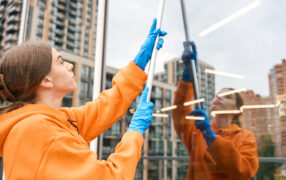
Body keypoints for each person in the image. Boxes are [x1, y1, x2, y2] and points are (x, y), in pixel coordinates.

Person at [0, 19, 166, 179]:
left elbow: (101, 110)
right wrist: (135, 132)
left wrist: (140, 63)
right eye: (60, 62)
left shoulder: (50, 120)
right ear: (46, 80)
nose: (70, 66)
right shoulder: (40, 132)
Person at [171, 41, 259, 180]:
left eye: (227, 97)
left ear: (236, 110)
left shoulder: (245, 137)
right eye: (218, 95)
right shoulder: (197, 132)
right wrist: (187, 78)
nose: (219, 97)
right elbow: (180, 112)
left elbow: (244, 171)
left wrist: (210, 136)